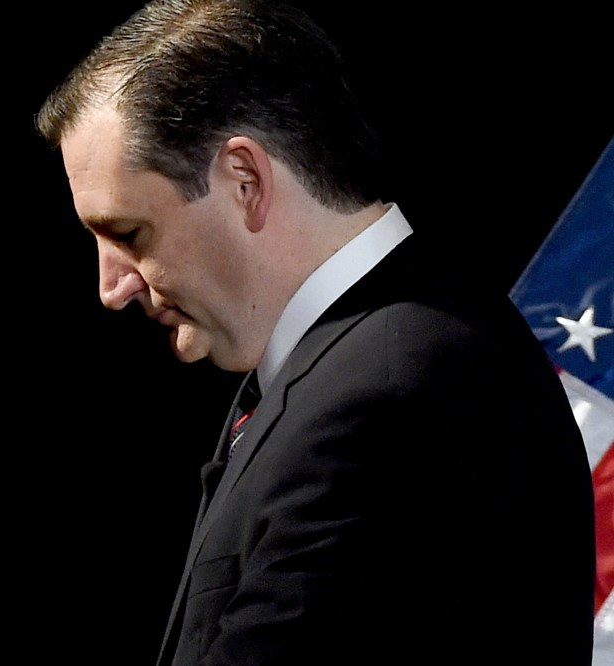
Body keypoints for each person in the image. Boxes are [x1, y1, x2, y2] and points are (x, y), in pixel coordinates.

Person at [35, 1, 597, 663]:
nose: (112, 287)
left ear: (245, 180)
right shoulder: (360, 359)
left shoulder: (392, 394)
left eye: (130, 233)